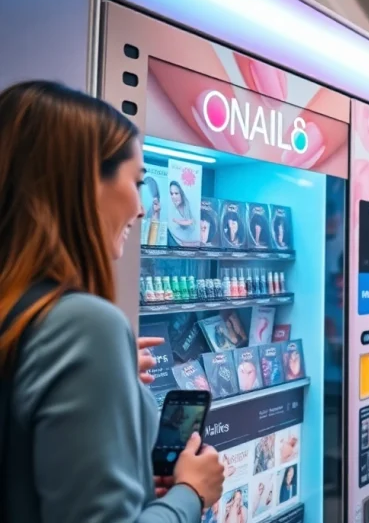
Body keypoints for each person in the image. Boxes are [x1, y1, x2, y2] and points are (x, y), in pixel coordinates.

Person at [0, 81, 225, 522]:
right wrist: (190, 494)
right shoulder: (83, 325)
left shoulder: (29, 318)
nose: (141, 209)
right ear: (83, 185)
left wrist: (104, 376)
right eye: (137, 182)